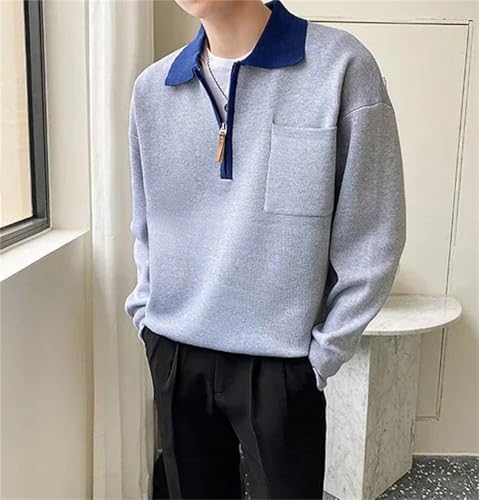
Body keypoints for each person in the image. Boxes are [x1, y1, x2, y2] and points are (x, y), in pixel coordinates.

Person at [124, 0, 407, 498]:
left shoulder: (341, 68)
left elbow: (373, 230)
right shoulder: (153, 89)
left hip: (281, 364)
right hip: (176, 348)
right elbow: (148, 223)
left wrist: (324, 352)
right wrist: (148, 318)